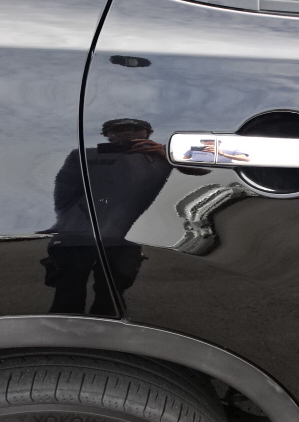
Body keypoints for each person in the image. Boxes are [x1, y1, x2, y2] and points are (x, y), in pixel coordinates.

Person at [42, 118, 172, 315]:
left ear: (149, 133)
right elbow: (63, 192)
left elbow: (200, 171)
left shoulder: (163, 157)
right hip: (77, 233)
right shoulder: (83, 155)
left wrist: (166, 155)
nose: (127, 132)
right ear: (107, 134)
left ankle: (105, 329)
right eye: (118, 129)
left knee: (111, 295)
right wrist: (66, 223)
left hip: (127, 234)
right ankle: (64, 329)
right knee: (67, 293)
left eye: (135, 128)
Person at [183, 139, 249, 163]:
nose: (209, 142)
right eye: (205, 141)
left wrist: (223, 154)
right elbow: (184, 161)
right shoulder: (193, 149)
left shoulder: (231, 149)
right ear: (202, 142)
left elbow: (246, 159)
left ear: (219, 142)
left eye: (212, 140)